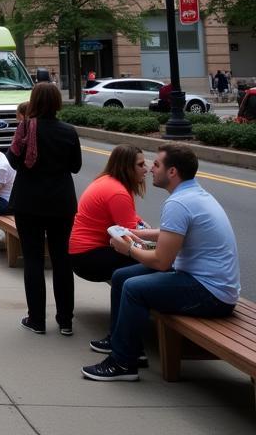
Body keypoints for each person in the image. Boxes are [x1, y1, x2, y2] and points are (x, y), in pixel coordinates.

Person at [83, 144, 240, 382]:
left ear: (173, 172)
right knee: (121, 276)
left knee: (134, 289)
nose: (149, 169)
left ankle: (123, 363)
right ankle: (125, 345)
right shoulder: (194, 194)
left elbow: (161, 262)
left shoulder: (178, 204)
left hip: (211, 294)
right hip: (209, 283)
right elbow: (171, 234)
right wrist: (135, 233)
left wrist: (129, 248)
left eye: (156, 164)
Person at [7, 81, 82, 336]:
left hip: (29, 201)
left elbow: (15, 161)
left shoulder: (25, 129)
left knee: (33, 259)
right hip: (61, 201)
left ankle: (37, 319)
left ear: (34, 101)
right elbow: (76, 167)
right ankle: (65, 321)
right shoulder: (69, 131)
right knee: (62, 259)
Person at [69, 144, 147, 283]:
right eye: (140, 165)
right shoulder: (118, 192)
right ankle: (131, 302)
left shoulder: (107, 180)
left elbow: (130, 220)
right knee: (149, 262)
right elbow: (132, 236)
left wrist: (142, 223)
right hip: (88, 258)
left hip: (80, 254)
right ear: (127, 167)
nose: (145, 169)